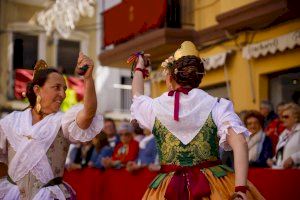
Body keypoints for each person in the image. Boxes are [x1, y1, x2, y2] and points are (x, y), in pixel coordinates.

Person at [130, 41, 264, 200]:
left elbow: (137, 96)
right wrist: (241, 189)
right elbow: (240, 143)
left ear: (171, 76)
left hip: (168, 186)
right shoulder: (218, 105)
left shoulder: (155, 107)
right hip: (215, 185)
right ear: (199, 77)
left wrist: (139, 67)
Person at [0, 53, 103, 199]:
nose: (63, 94)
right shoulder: (10, 121)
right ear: (37, 90)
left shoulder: (64, 120)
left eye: (64, 89)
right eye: (57, 87)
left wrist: (88, 78)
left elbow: (88, 113)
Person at [267, 103, 300, 169]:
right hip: (282, 173)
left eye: (286, 117)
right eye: (282, 117)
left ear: (296, 118)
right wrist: (273, 160)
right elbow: (281, 153)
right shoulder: (284, 134)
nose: (282, 119)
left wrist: (293, 158)